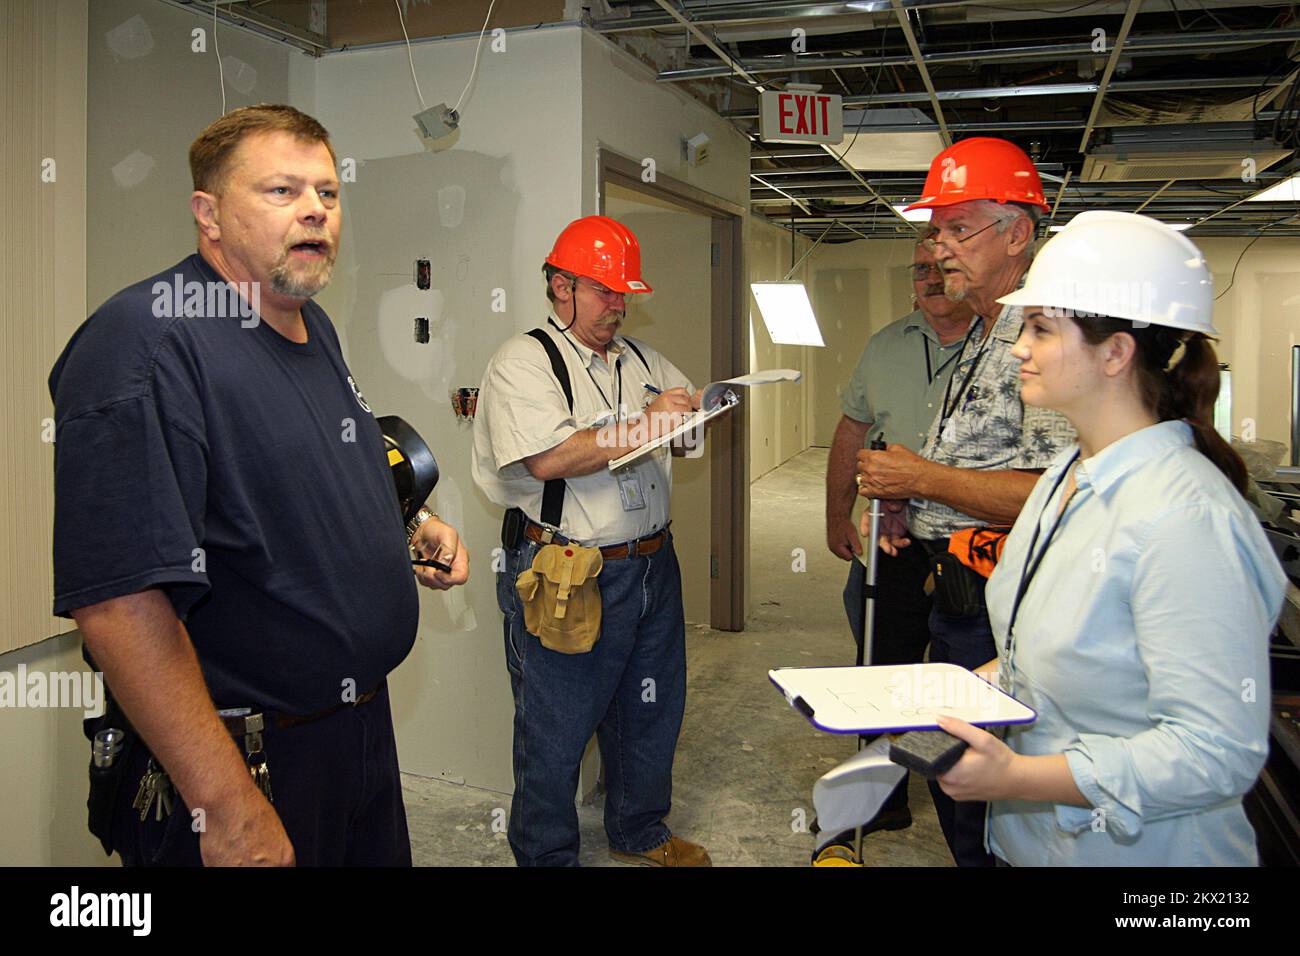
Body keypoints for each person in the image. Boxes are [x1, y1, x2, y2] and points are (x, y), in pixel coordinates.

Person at [50, 104, 469, 867]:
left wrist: (409, 524)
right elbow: (118, 602)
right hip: (248, 764)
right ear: (208, 214)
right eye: (282, 191)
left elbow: (302, 473)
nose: (315, 209)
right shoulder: (145, 346)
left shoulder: (308, 326)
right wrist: (228, 809)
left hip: (356, 738)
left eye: (328, 193)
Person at [931, 211, 1286, 865]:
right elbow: (1068, 651)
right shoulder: (1068, 475)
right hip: (1036, 845)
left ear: (1116, 352)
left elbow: (1216, 753)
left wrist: (1018, 779)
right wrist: (968, 689)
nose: (1018, 348)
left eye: (1041, 329)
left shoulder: (1184, 519)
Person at [855, 137, 1076, 866]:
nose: (939, 247)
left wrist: (920, 480)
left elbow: (1056, 494)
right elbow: (971, 466)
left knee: (989, 809)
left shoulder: (1039, 334)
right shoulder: (985, 333)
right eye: (935, 229)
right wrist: (905, 502)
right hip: (957, 595)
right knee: (962, 798)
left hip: (1001, 613)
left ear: (1017, 233)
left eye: (958, 229)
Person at [472, 215, 719, 867]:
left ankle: (639, 828)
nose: (619, 305)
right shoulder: (524, 362)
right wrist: (647, 424)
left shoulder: (642, 359)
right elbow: (551, 458)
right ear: (561, 286)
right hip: (566, 569)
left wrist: (694, 419)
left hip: (651, 566)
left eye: (625, 292)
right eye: (605, 290)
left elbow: (678, 431)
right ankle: (548, 854)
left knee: (652, 707)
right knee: (554, 729)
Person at [824, 239, 973, 840]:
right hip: (894, 540)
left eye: (943, 268)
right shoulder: (885, 347)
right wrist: (838, 512)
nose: (932, 279)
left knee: (966, 675)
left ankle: (971, 812)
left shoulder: (1005, 346)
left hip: (976, 545)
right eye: (921, 270)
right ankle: (882, 798)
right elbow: (852, 431)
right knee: (881, 667)